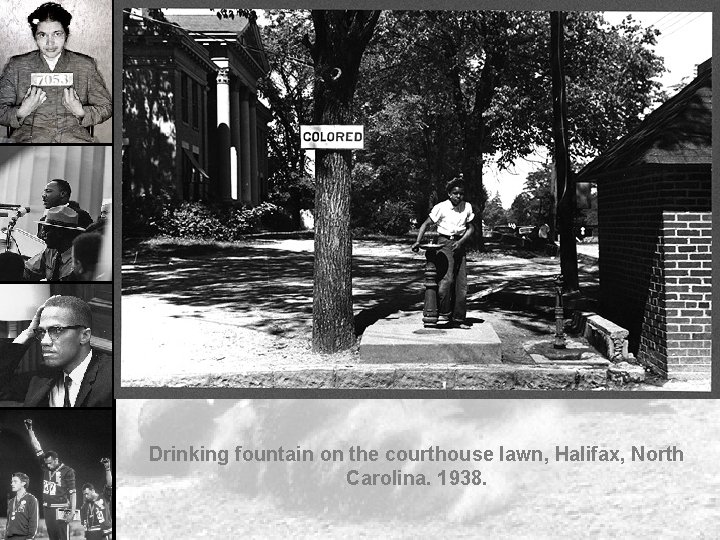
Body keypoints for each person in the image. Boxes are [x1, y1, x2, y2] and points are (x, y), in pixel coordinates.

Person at [0, 2, 112, 143]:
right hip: (29, 138)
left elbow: (106, 107)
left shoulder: (85, 65)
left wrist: (81, 112)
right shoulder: (16, 66)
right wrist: (21, 111)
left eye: (57, 34)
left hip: (74, 137)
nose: (50, 42)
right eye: (42, 35)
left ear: (66, 35)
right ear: (35, 37)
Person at [0, 295, 111, 407]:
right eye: (42, 332)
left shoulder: (112, 378)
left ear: (84, 336)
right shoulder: (42, 376)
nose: (44, 341)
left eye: (57, 330)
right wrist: (27, 334)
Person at [412, 177, 475, 328]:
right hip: (444, 243)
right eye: (455, 193)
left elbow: (471, 228)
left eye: (461, 193)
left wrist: (461, 242)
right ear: (449, 193)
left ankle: (458, 319)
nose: (458, 196)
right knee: (446, 281)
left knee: (462, 283)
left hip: (460, 243)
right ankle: (443, 313)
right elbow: (425, 224)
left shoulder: (467, 207)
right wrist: (417, 241)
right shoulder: (441, 207)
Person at [24, 421, 75, 540]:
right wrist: (30, 430)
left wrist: (72, 512)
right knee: (52, 537)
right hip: (47, 509)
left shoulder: (68, 471)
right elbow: (37, 446)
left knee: (63, 537)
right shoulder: (46, 465)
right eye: (46, 463)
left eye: (50, 463)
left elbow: (73, 492)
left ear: (56, 460)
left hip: (62, 508)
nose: (48, 466)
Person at [24, 206, 85, 281]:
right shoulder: (51, 251)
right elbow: (28, 270)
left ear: (60, 233)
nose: (42, 234)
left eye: (46, 229)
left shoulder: (77, 262)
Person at [80, 458, 112, 540]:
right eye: (84, 494)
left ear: (93, 490)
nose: (86, 496)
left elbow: (109, 483)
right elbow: (83, 523)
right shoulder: (85, 505)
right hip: (90, 534)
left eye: (87, 493)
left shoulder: (103, 497)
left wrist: (107, 469)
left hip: (103, 533)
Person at [4, 472, 39, 540]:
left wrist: (30, 538)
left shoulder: (31, 499)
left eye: (15, 481)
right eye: (12, 481)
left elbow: (33, 521)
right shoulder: (11, 502)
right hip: (10, 537)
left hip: (24, 537)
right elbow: (8, 522)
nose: (12, 484)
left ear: (23, 483)